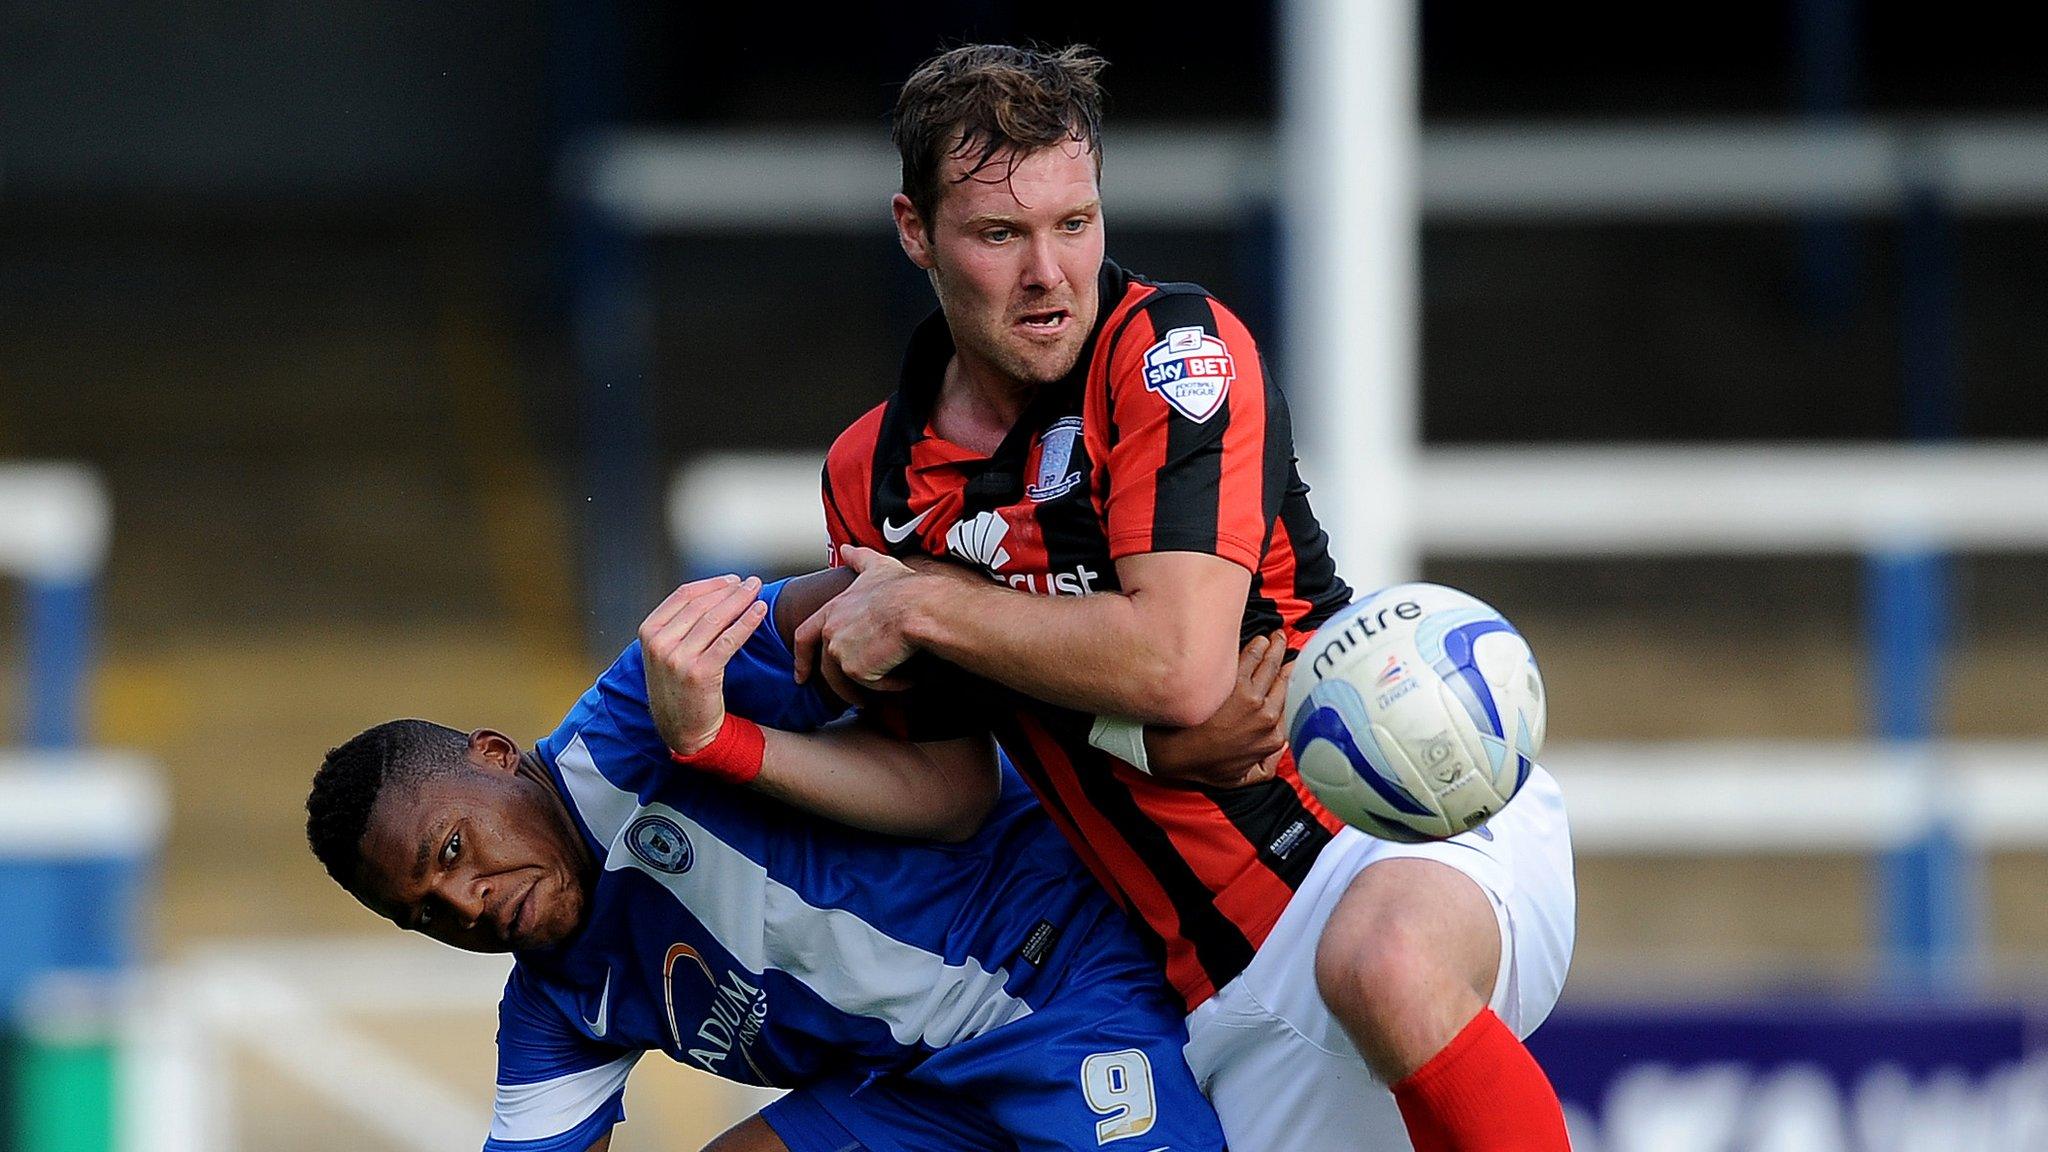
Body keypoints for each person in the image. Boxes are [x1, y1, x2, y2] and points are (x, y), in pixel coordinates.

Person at [775, 44, 1577, 1152]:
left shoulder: (1167, 351)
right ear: (914, 230)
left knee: (1380, 963)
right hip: (1217, 993)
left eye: (1075, 222)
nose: (1049, 272)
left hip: (1384, 833)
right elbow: (948, 787)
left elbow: (1181, 666)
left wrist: (924, 605)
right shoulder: (869, 475)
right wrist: (720, 747)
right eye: (999, 235)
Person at [303, 571, 1242, 1152]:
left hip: (1062, 978)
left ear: (497, 755)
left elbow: (893, 594)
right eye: (424, 910)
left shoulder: (641, 710)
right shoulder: (556, 1004)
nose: (464, 904)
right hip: (920, 1093)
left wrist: (1140, 734)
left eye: (454, 850)